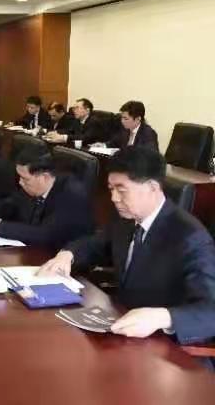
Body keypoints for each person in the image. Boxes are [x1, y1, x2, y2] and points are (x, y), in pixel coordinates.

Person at [38, 147, 215, 346]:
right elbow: (96, 244)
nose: (114, 198)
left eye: (121, 190)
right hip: (122, 328)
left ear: (152, 188)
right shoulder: (127, 219)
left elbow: (210, 310)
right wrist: (68, 255)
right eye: (111, 189)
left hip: (163, 345)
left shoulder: (190, 237)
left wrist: (164, 317)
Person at [0, 146, 93, 251]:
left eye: (25, 179)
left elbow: (46, 234)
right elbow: (11, 202)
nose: (20, 182)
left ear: (44, 177)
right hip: (32, 252)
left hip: (61, 260)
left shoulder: (72, 194)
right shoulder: (34, 186)